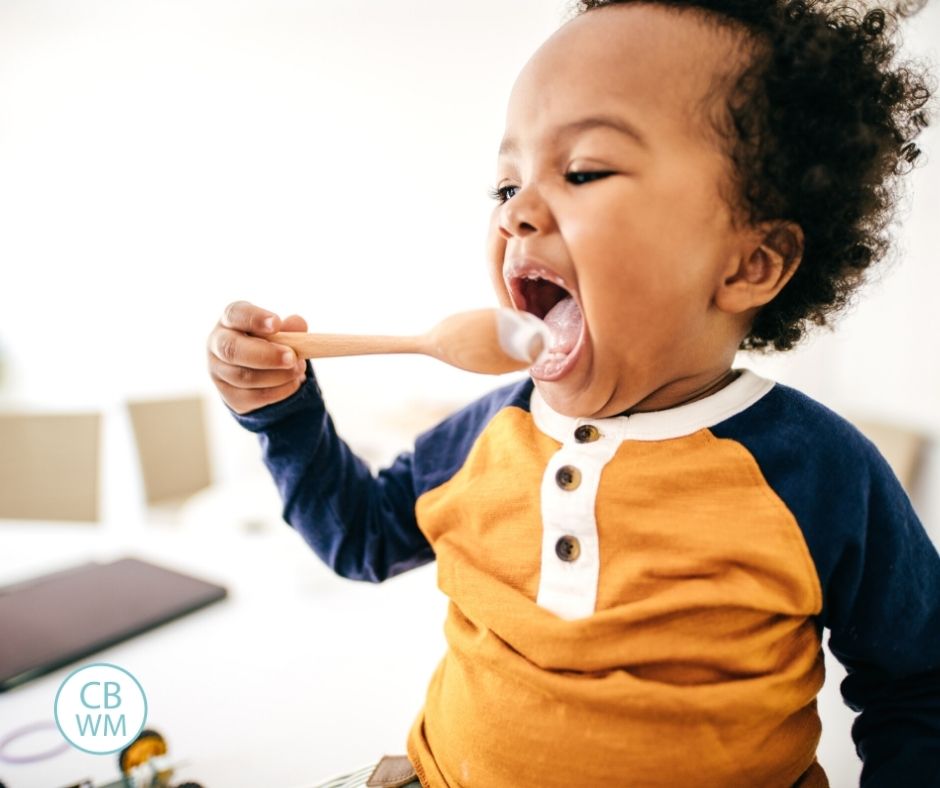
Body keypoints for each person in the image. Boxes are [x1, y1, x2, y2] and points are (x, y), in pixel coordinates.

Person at [206, 1, 940, 785]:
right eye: (504, 184)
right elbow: (361, 537)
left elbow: (920, 689)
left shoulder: (818, 473)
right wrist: (281, 415)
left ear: (749, 264)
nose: (517, 213)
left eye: (583, 170)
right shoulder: (488, 435)